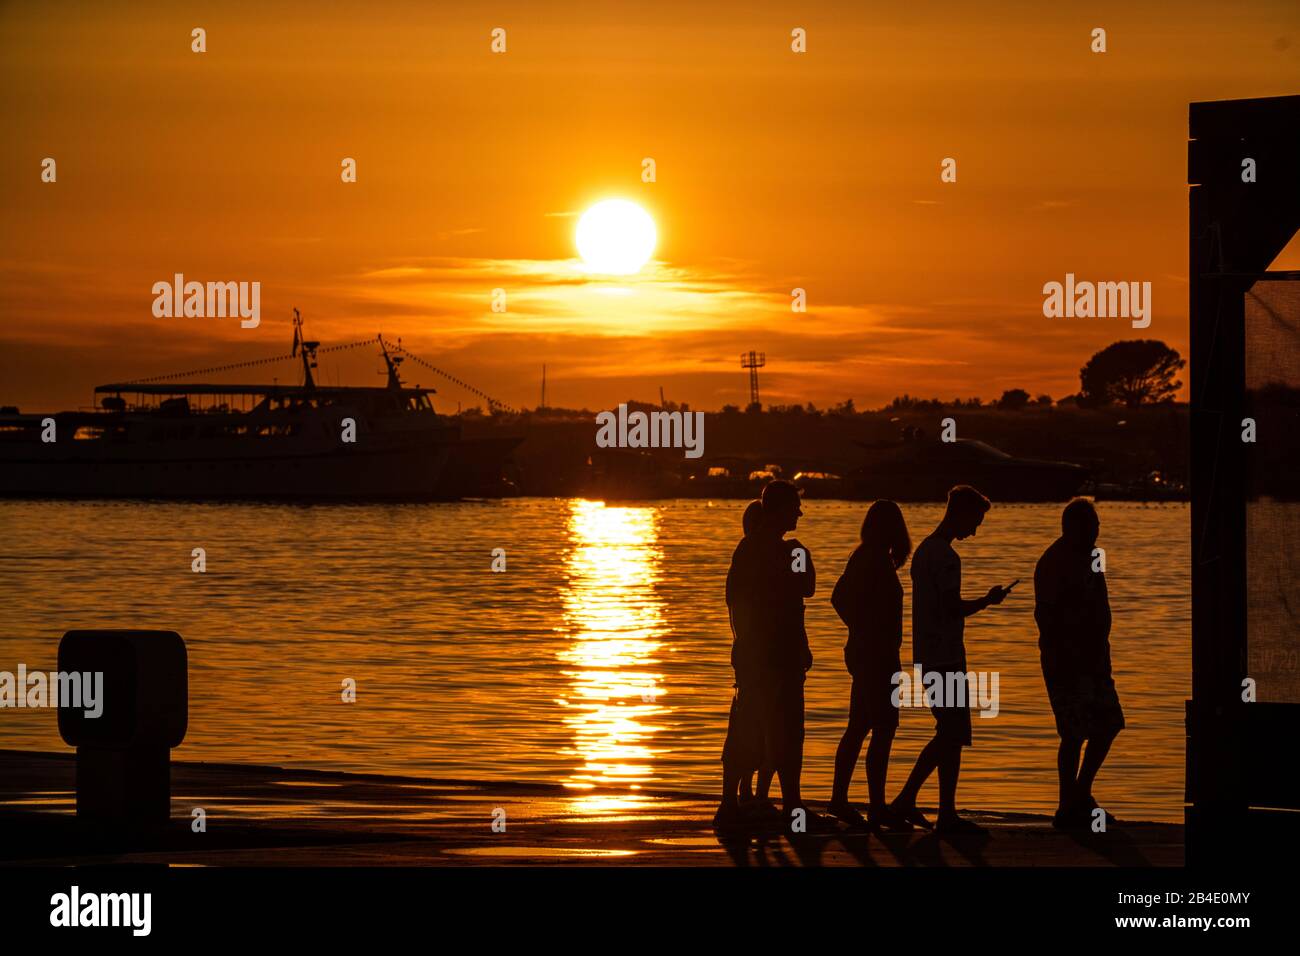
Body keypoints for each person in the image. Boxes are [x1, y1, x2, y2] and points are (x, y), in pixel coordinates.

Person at [890, 485, 1010, 835]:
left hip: (929, 654)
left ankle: (944, 812)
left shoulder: (925, 551)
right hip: (944, 657)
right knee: (951, 732)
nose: (974, 530)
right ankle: (907, 801)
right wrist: (987, 602)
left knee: (951, 733)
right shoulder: (945, 557)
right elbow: (950, 607)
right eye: (974, 521)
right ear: (959, 514)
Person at [715, 480, 820, 830]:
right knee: (759, 728)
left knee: (778, 730)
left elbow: (803, 592)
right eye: (794, 506)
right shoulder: (766, 551)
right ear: (778, 509)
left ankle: (785, 805)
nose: (800, 512)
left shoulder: (758, 550)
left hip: (773, 654)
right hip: (766, 656)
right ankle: (736, 803)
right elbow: (798, 589)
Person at [1034, 497, 1124, 830]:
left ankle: (1081, 792)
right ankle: (1066, 804)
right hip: (1066, 661)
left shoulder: (1093, 557)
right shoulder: (1054, 562)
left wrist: (1101, 649)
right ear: (1073, 527)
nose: (1095, 533)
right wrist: (1068, 650)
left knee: (1108, 724)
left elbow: (1100, 601)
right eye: (1090, 527)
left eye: (1097, 527)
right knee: (1073, 733)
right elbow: (1046, 614)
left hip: (1096, 659)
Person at [827, 500, 914, 831]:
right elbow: (839, 598)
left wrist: (859, 630)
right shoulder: (871, 558)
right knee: (882, 727)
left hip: (872, 652)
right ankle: (874, 805)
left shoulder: (871, 557)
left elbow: (842, 598)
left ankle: (843, 799)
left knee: (861, 726)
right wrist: (862, 629)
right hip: (875, 655)